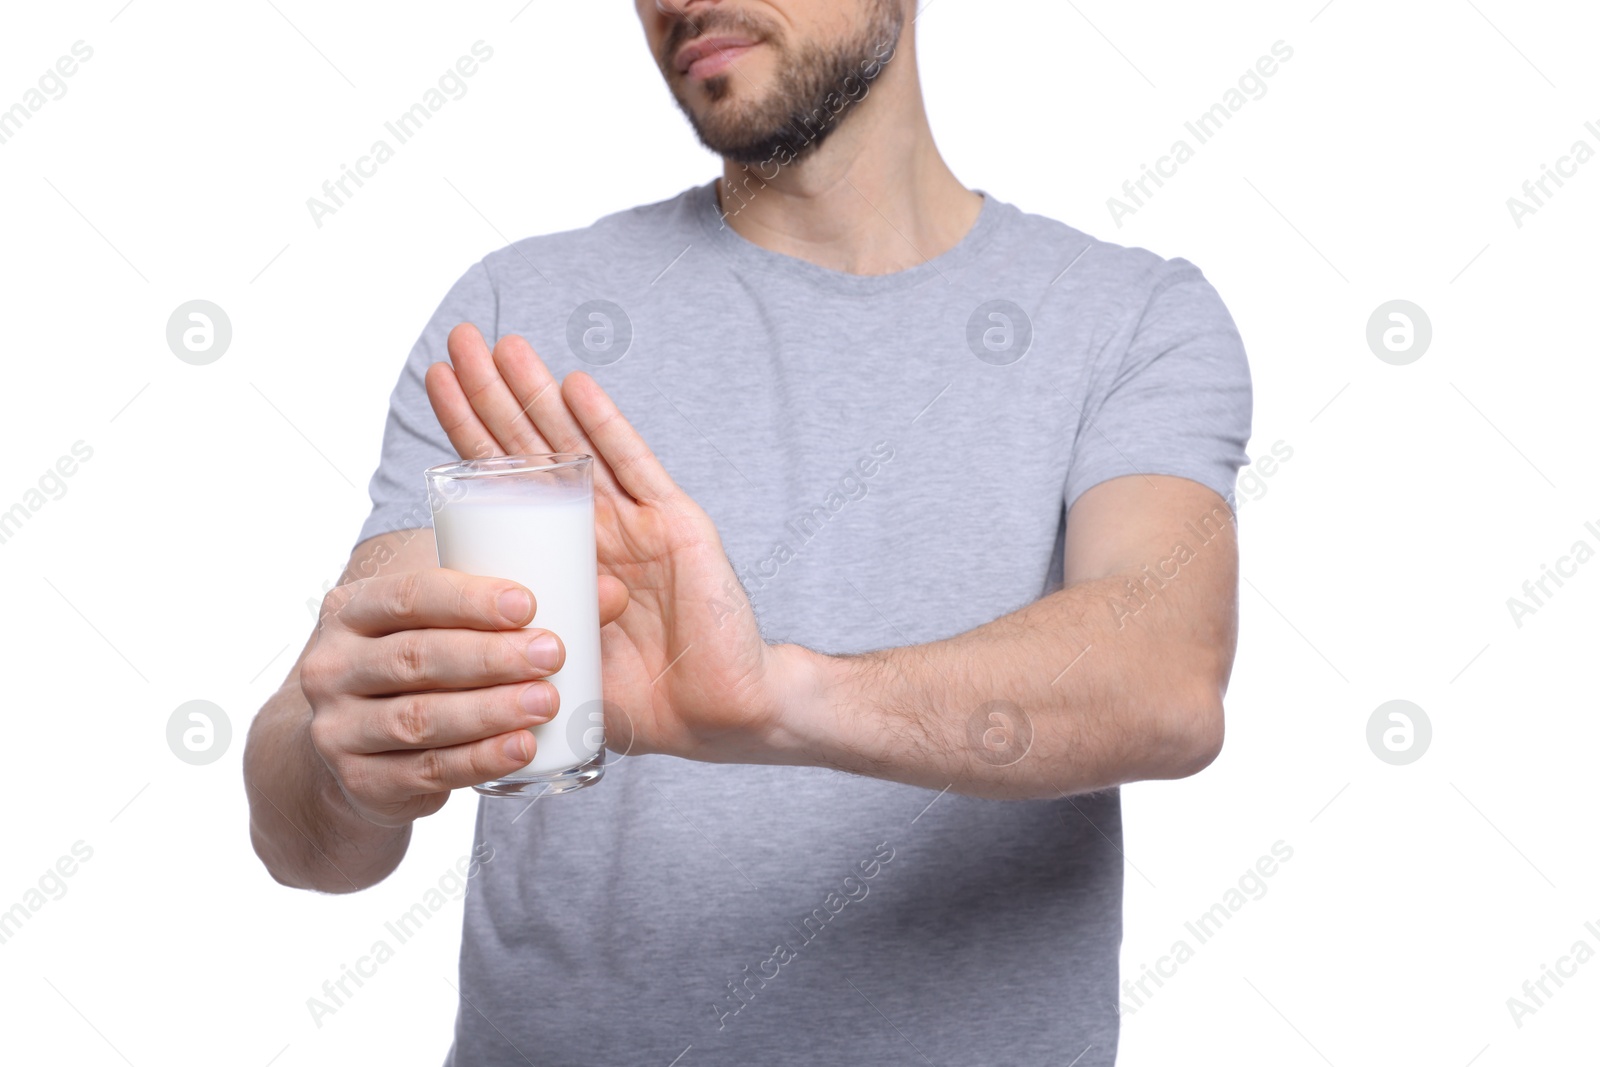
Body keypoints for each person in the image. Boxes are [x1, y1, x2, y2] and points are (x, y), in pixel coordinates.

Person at [244, 0, 1252, 1062]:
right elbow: (306, 832)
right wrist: (345, 759)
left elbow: (1164, 679)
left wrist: (772, 696)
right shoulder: (519, 319)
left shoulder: (1128, 318)